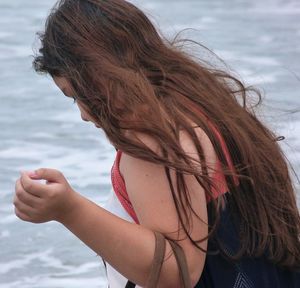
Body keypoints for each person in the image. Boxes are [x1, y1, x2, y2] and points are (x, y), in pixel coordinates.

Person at [13, 0, 300, 287]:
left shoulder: (151, 140)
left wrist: (69, 209)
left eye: (75, 94)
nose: (83, 114)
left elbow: (177, 272)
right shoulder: (199, 102)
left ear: (96, 73)